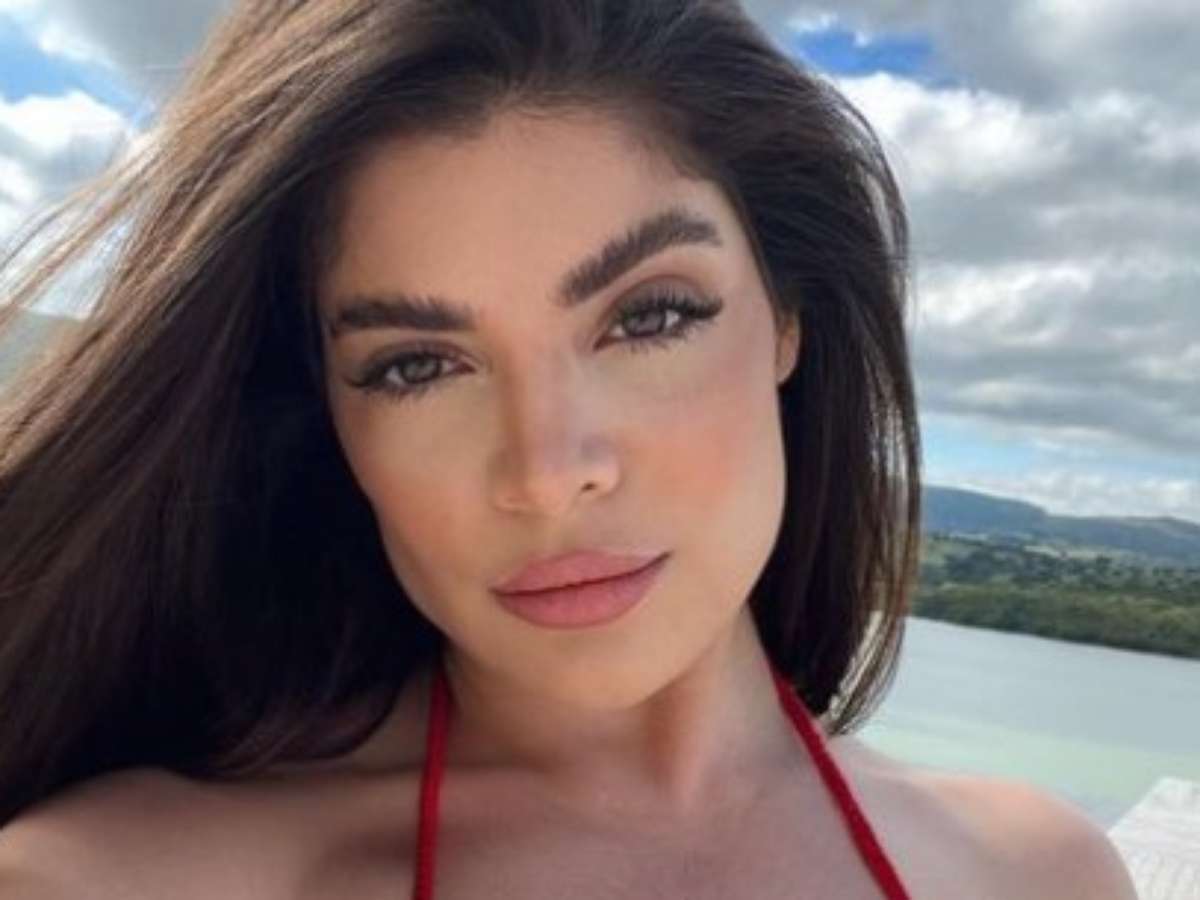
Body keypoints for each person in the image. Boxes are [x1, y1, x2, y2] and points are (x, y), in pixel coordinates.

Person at [0, 1, 1137, 897]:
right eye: (416, 366)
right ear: (327, 416)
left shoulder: (1037, 876)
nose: (547, 473)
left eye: (650, 316)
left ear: (789, 316)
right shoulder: (120, 879)